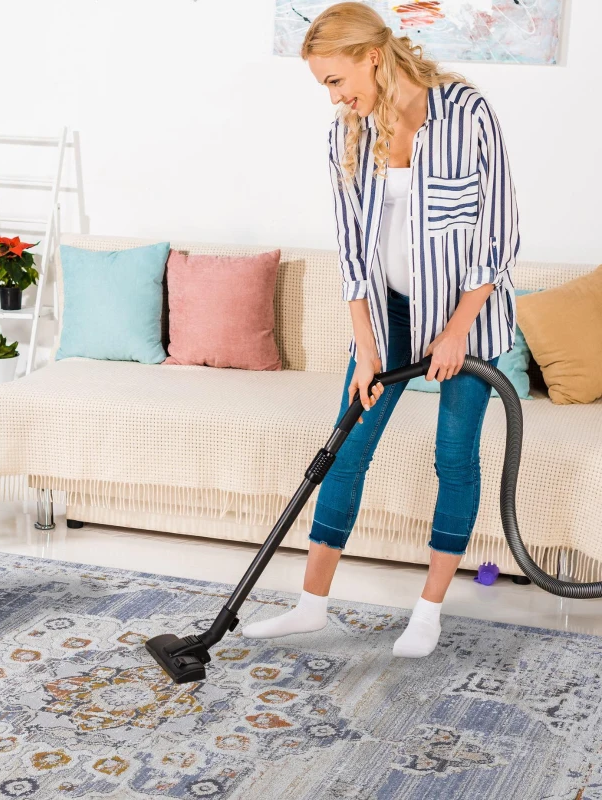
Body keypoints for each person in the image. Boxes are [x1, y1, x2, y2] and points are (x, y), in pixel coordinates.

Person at [243, 2, 519, 657]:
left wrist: (455, 330)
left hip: (468, 316)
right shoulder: (348, 133)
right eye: (325, 89)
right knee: (346, 446)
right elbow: (352, 252)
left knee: (454, 457)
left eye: (337, 81)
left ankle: (427, 613)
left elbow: (498, 234)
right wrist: (366, 346)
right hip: (389, 312)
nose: (335, 98)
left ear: (372, 55)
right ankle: (310, 605)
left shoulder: (465, 114)